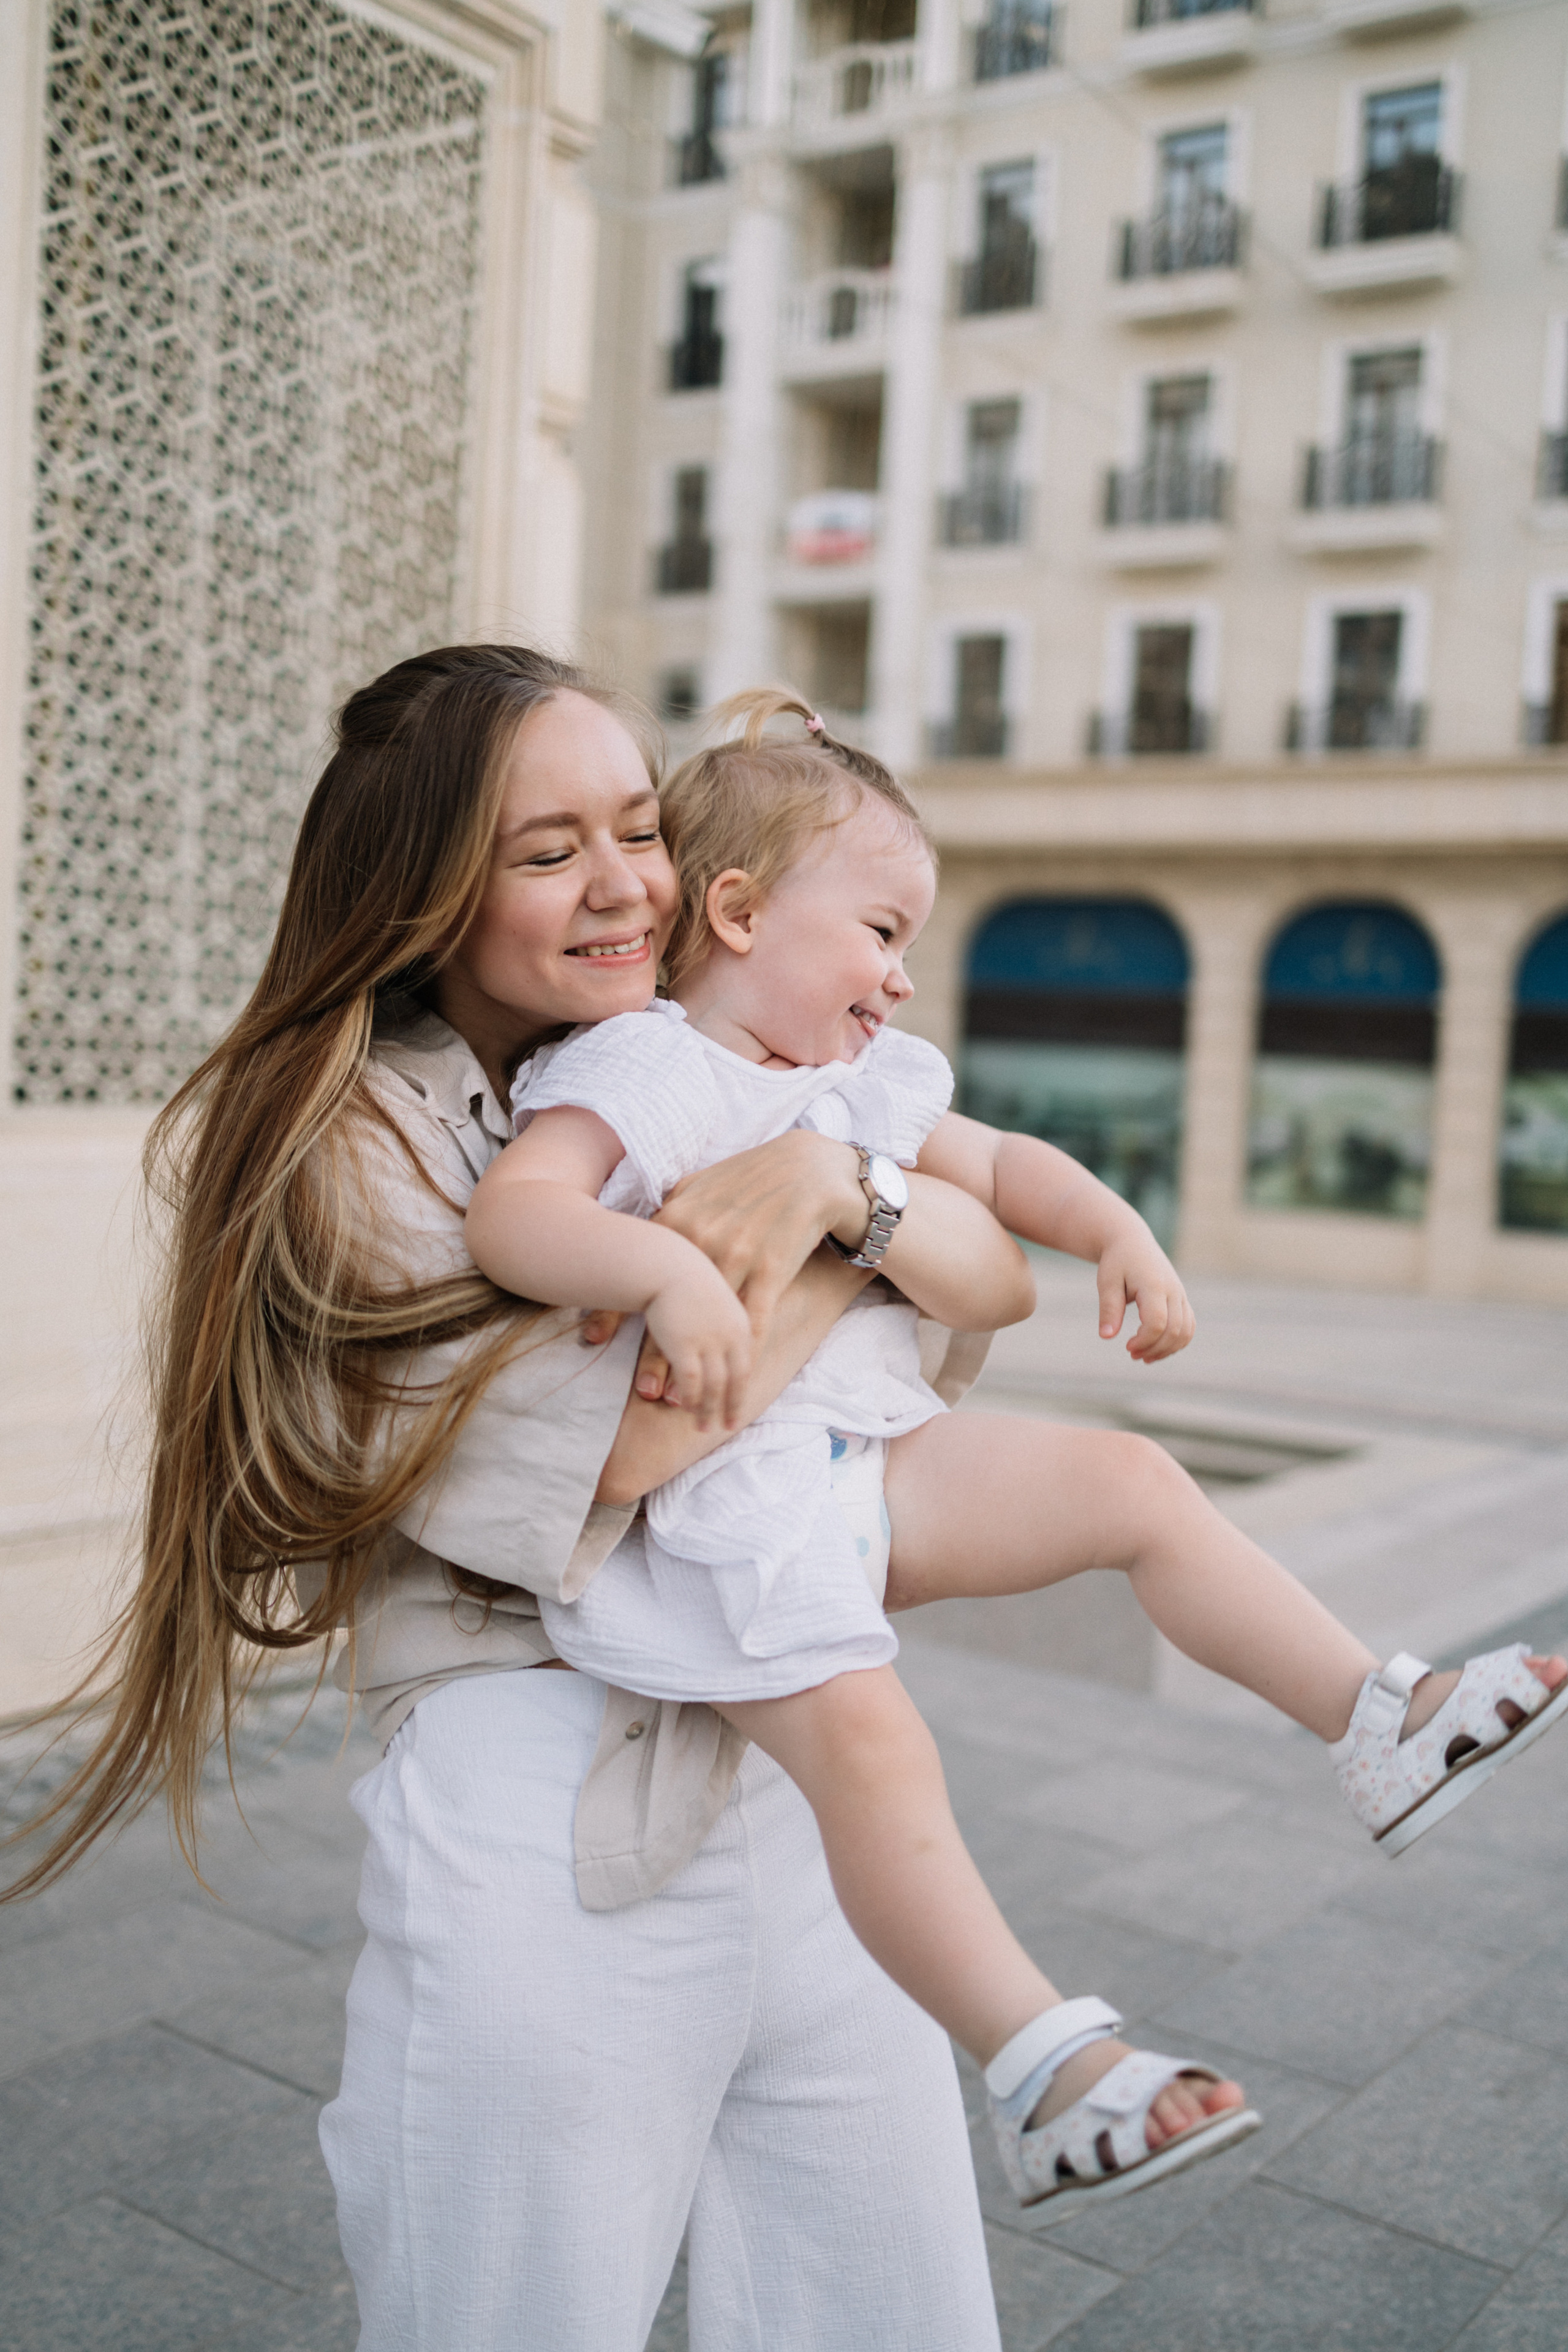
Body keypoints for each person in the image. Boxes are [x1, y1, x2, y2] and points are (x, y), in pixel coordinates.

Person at [6, 643, 1064, 2350]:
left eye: (639, 827)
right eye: (545, 849)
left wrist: (823, 1178)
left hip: (800, 1778)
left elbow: (991, 1281)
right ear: (424, 887)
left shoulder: (686, 1055)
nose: (626, 885)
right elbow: (625, 1452)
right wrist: (843, 1241)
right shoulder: (333, 1144)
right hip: (543, 1805)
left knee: (895, 2310)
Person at [466, 687, 1568, 2214]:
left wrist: (1118, 1231)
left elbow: (1003, 1173)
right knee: (875, 1747)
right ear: (734, 912)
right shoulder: (649, 1071)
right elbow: (515, 1216)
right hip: (732, 1513)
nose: (902, 976)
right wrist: (652, 1270)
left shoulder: (864, 1094)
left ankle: (1373, 1716)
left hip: (872, 1461)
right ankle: (1045, 2068)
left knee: (1132, 1482)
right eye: (878, 930)